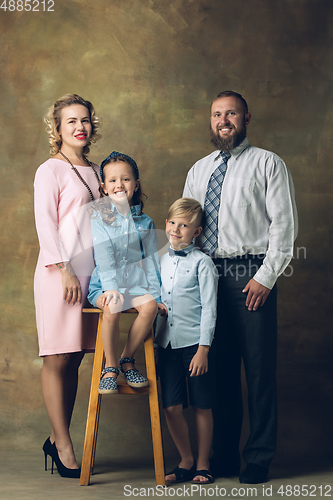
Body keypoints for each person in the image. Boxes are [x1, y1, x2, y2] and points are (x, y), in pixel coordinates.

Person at [183, 91, 298, 484]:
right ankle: (225, 457)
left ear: (246, 117)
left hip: (251, 275)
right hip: (207, 276)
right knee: (221, 371)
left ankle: (259, 457)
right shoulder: (198, 170)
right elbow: (187, 227)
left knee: (259, 372)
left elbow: (283, 226)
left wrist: (265, 277)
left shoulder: (268, 163)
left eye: (230, 113)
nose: (223, 120)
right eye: (217, 114)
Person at [34, 94, 101, 478]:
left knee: (74, 357)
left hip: (91, 277)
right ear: (57, 129)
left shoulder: (96, 170)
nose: (80, 126)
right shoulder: (50, 170)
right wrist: (64, 269)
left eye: (86, 120)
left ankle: (57, 436)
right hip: (59, 276)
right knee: (56, 357)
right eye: (71, 121)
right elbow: (46, 223)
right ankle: (63, 445)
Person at [155, 198, 218, 485]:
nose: (176, 229)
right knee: (170, 406)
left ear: (196, 231)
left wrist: (204, 349)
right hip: (166, 344)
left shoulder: (203, 263)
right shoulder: (158, 260)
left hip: (195, 345)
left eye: (184, 225)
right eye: (172, 223)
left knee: (202, 405)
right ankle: (186, 459)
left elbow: (209, 307)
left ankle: (203, 463)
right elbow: (152, 294)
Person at [88, 152, 163, 394]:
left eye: (126, 179)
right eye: (112, 181)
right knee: (112, 305)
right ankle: (109, 367)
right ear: (104, 187)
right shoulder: (99, 218)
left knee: (150, 307)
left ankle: (126, 359)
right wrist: (110, 288)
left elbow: (151, 261)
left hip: (133, 285)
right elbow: (104, 257)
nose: (119, 185)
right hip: (105, 285)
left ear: (136, 184)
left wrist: (157, 295)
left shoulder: (146, 222)